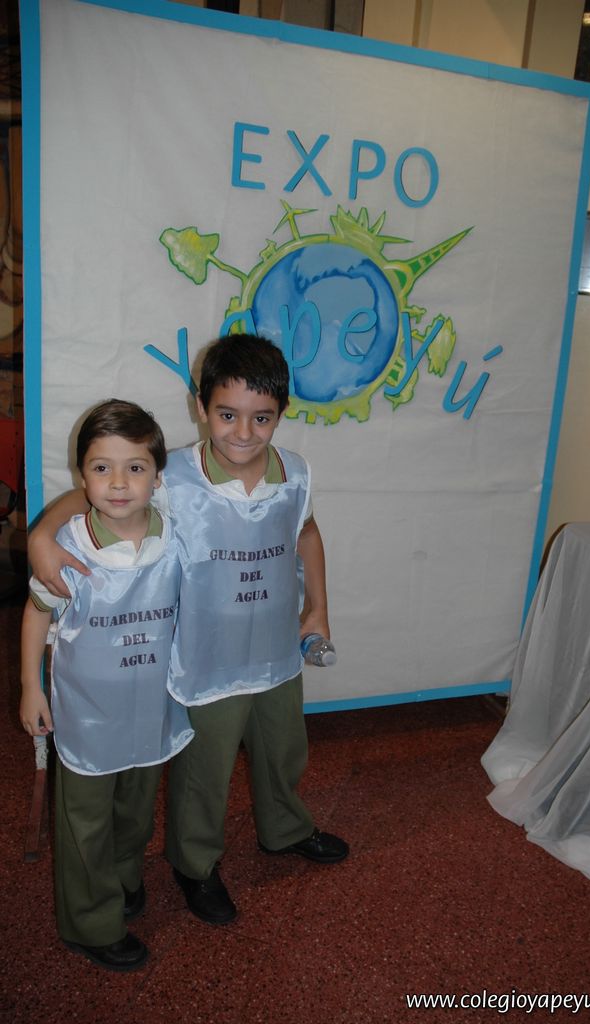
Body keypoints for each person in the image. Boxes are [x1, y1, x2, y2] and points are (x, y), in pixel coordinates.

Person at [28, 335, 348, 929]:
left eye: (261, 418)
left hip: (275, 648)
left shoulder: (296, 473)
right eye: (227, 414)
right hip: (206, 660)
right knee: (206, 770)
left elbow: (306, 532)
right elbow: (89, 494)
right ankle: (195, 864)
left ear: (281, 413)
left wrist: (319, 607)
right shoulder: (170, 474)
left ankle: (285, 827)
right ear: (201, 407)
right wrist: (41, 536)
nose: (243, 432)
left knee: (283, 749)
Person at [20, 400, 193, 971]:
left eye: (135, 468)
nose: (118, 483)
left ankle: (122, 879)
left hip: (150, 709)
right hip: (88, 714)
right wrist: (30, 687)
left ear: (157, 476)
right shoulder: (67, 547)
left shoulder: (177, 537)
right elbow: (36, 613)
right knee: (85, 822)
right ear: (82, 475)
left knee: (135, 812)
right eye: (101, 468)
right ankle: (90, 922)